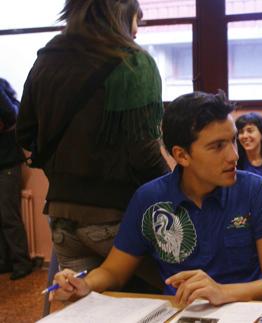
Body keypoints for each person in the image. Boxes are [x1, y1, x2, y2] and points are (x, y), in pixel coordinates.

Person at [50, 91, 262, 306]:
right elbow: (113, 271)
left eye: (232, 140)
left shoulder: (254, 190)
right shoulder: (150, 198)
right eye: (217, 146)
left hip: (245, 311)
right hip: (181, 313)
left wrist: (223, 292)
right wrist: (84, 284)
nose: (233, 155)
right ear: (182, 155)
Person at [16, 0, 169, 278]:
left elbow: (25, 132)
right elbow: (144, 153)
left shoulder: (47, 58)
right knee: (157, 301)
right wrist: (174, 188)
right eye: (137, 22)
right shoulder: (133, 62)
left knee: (85, 309)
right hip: (117, 217)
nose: (136, 32)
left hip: (62, 218)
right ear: (122, 14)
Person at [0, 78, 34, 280]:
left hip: (6, 163)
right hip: (5, 162)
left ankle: (21, 262)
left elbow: (13, 116)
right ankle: (5, 261)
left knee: (8, 216)